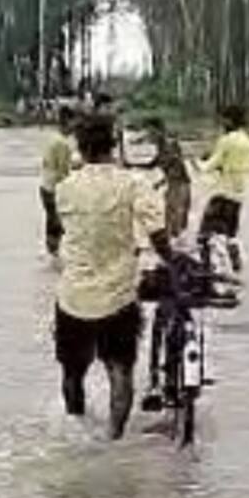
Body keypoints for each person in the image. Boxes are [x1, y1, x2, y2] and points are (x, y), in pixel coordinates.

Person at [53, 112, 170, 439]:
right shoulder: (132, 184)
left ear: (80, 147)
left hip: (73, 295)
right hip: (117, 295)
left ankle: (75, 428)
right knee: (120, 370)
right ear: (113, 146)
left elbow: (63, 230)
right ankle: (114, 439)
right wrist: (173, 261)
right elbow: (158, 233)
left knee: (72, 371)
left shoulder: (65, 188)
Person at [198, 104, 249, 275]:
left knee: (203, 236)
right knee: (231, 234)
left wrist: (197, 164)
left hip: (222, 193)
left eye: (224, 119)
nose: (222, 123)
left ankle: (206, 270)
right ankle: (235, 265)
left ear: (230, 120)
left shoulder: (226, 140)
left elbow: (210, 165)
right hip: (239, 194)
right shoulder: (248, 142)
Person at [142, 118, 192, 240]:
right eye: (148, 133)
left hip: (180, 186)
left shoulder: (169, 146)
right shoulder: (163, 147)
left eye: (151, 132)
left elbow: (170, 164)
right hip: (175, 185)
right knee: (170, 220)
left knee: (173, 222)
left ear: (159, 131)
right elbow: (158, 165)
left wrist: (160, 182)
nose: (149, 136)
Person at [39, 106, 76, 256]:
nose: (75, 127)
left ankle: (52, 255)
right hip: (55, 189)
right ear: (68, 121)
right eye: (74, 122)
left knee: (52, 223)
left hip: (45, 186)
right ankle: (56, 255)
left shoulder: (52, 138)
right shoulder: (62, 144)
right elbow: (63, 172)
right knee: (59, 224)